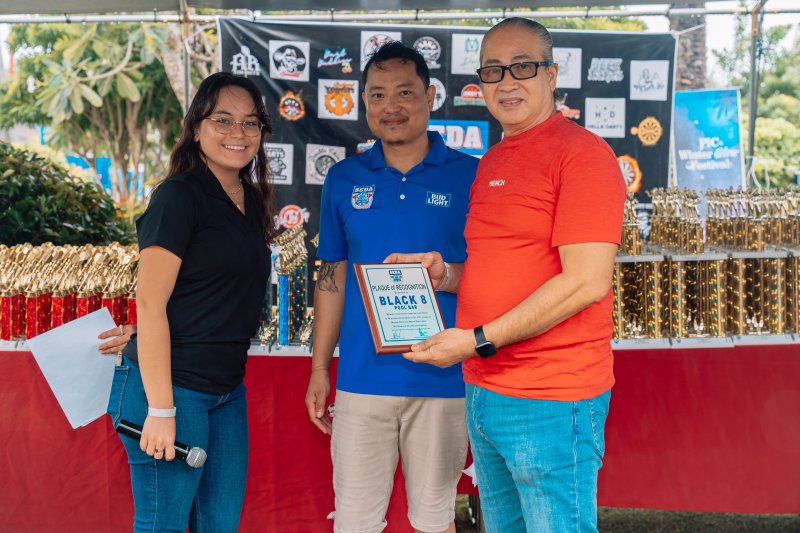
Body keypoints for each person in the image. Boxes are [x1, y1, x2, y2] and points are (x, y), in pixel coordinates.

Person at [387, 18, 626, 533]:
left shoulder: (582, 154)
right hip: (485, 389)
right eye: (493, 70)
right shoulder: (494, 160)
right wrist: (444, 274)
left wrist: (476, 340)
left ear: (551, 75)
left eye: (523, 67)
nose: (507, 81)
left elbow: (586, 282)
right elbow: (499, 267)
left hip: (552, 396)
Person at [304, 41, 479, 533]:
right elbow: (331, 277)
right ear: (364, 103)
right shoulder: (344, 178)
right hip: (362, 380)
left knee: (435, 520)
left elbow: (492, 273)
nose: (391, 106)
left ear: (430, 96)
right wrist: (320, 367)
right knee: (355, 521)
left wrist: (449, 273)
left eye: (405, 92)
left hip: (444, 378)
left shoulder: (471, 175)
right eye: (377, 95)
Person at [105, 72, 274, 533]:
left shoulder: (250, 199)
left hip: (226, 390)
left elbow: (208, 294)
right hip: (171, 391)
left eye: (251, 122)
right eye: (223, 120)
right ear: (196, 127)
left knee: (218, 525)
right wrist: (161, 411)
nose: (238, 133)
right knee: (162, 525)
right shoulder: (179, 196)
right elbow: (150, 301)